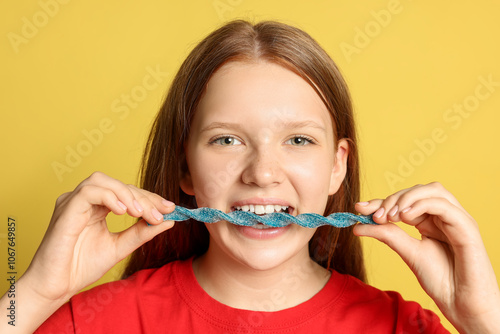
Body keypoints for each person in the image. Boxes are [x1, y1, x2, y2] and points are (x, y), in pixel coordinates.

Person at [2, 20, 499, 333]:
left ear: (337, 166)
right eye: (226, 139)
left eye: (299, 140)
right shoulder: (92, 323)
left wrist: (483, 322)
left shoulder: (399, 327)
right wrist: (35, 294)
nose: (262, 174)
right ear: (185, 169)